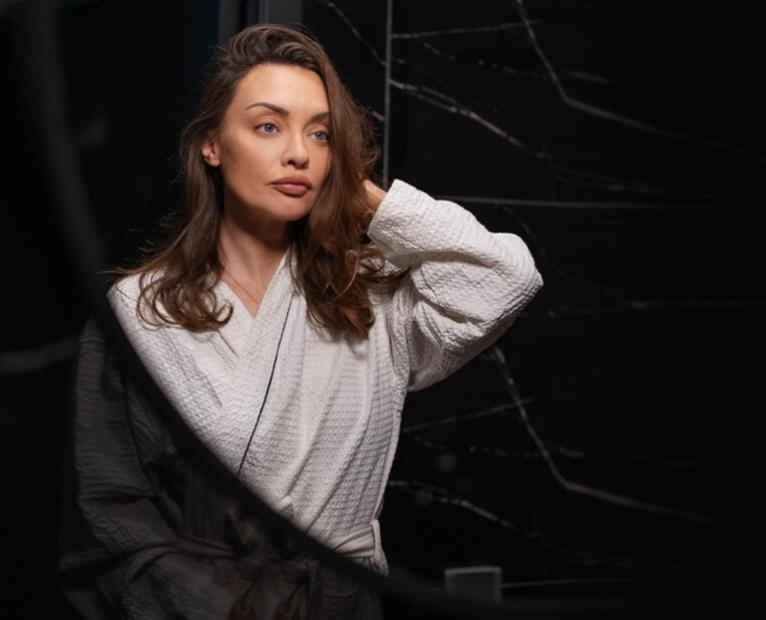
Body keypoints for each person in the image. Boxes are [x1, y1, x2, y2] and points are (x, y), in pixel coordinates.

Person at [58, 24, 543, 619]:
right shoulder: (141, 309)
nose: (299, 153)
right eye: (268, 126)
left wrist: (364, 196)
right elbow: (109, 507)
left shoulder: (368, 293)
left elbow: (505, 277)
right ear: (211, 145)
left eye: (321, 134)